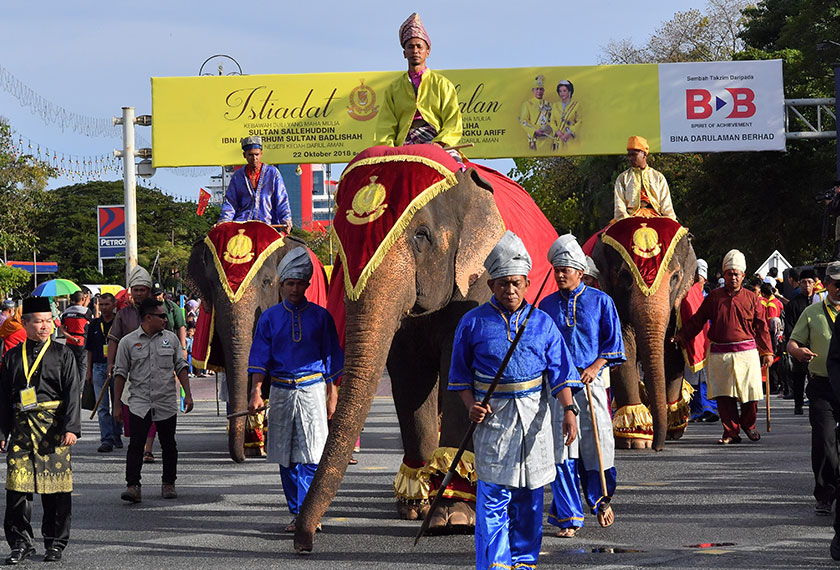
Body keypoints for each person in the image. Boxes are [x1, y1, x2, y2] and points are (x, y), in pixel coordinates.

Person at [448, 231, 581, 570]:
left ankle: (523, 561)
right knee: (493, 494)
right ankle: (495, 564)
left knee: (530, 495)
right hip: (493, 419)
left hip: (534, 416)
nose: (510, 290)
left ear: (526, 283)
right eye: (503, 284)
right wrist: (470, 405)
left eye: (517, 283)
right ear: (492, 285)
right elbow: (460, 375)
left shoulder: (542, 323)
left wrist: (568, 410)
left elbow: (560, 372)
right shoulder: (472, 322)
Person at [247, 247, 343, 532]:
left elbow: (332, 357)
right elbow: (259, 358)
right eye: (290, 283)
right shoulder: (269, 318)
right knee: (285, 456)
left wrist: (332, 394)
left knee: (313, 455)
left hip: (312, 388)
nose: (295, 288)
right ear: (281, 284)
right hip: (280, 390)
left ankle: (308, 512)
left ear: (308, 285)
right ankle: (296, 511)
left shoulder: (322, 317)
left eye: (300, 283)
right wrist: (255, 392)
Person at [540, 234, 625, 538]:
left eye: (565, 269)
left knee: (597, 444)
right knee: (563, 450)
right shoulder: (546, 306)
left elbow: (614, 345)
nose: (560, 274)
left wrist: (594, 366)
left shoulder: (602, 302)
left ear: (580, 271)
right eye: (556, 269)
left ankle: (601, 500)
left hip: (592, 382)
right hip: (559, 385)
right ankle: (568, 517)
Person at [0, 296, 80, 564]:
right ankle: (20, 543)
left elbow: (72, 394)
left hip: (53, 430)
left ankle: (55, 543)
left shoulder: (63, 354)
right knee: (17, 491)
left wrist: (71, 428)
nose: (45, 327)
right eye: (38, 322)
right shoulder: (12, 356)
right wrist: (2, 433)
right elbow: (2, 397)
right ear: (25, 323)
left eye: (48, 321)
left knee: (55, 492)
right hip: (21, 430)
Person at [676, 250, 774, 444]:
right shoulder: (713, 297)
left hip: (747, 353)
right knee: (724, 395)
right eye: (729, 273)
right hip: (720, 353)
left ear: (743, 276)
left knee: (751, 395)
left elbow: (762, 326)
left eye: (737, 273)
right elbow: (698, 320)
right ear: (724, 275)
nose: (733, 277)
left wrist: (768, 351)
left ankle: (749, 425)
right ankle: (731, 432)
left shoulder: (752, 298)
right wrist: (681, 336)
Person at [113, 298, 193, 503]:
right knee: (136, 445)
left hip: (165, 401)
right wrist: (116, 405)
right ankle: (133, 486)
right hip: (139, 402)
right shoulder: (128, 342)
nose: (166, 320)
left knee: (169, 445)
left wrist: (188, 394)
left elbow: (181, 366)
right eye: (162, 316)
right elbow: (120, 374)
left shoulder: (172, 339)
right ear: (148, 318)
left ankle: (168, 483)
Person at [789, 261, 840, 519]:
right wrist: (799, 352)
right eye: (836, 284)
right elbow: (792, 343)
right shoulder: (812, 312)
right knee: (824, 441)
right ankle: (825, 493)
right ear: (827, 284)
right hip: (822, 386)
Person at [374, 13, 462, 159]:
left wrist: (440, 142)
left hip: (436, 139)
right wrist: (388, 150)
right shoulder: (394, 88)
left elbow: (453, 120)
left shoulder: (442, 84)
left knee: (457, 167)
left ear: (427, 52)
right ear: (404, 53)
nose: (415, 51)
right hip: (405, 141)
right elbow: (386, 125)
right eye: (410, 47)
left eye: (419, 46)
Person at [217, 136, 293, 232]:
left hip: (268, 225)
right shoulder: (238, 176)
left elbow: (281, 199)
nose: (254, 158)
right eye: (250, 155)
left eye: (257, 154)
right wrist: (224, 221)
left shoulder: (273, 173)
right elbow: (231, 202)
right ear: (244, 155)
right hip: (243, 226)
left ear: (261, 154)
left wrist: (286, 219)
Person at [84, 292, 121, 453]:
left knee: (117, 403)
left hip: (117, 367)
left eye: (107, 304)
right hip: (99, 366)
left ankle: (116, 434)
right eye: (102, 305)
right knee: (102, 406)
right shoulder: (94, 324)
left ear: (114, 305)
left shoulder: (119, 322)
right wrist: (89, 371)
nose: (104, 308)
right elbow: (89, 349)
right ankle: (106, 439)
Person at [613, 136, 676, 221]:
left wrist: (671, 221)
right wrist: (626, 221)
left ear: (644, 154)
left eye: (634, 155)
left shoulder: (658, 177)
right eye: (629, 155)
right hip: (630, 218)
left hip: (657, 218)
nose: (630, 158)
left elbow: (666, 205)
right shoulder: (623, 178)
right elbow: (619, 207)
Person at [785, 268, 817, 414]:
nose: (806, 285)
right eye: (803, 282)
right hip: (799, 346)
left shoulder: (819, 302)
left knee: (816, 378)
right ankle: (798, 404)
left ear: (814, 283)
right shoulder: (793, 304)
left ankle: (815, 402)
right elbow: (789, 326)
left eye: (809, 282)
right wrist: (796, 346)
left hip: (816, 346)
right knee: (799, 377)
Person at [58, 290, 92, 383]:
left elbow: (61, 328)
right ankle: (80, 391)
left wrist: (70, 337)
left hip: (70, 341)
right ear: (82, 299)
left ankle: (71, 386)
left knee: (71, 365)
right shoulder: (86, 311)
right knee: (82, 366)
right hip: (81, 341)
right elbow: (93, 322)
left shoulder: (66, 311)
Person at [518, 75, 553, 151]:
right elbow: (524, 121)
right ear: (533, 91)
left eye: (541, 89)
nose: (539, 91)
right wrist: (534, 131)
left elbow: (553, 120)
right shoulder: (527, 104)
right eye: (537, 89)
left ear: (543, 91)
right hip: (535, 138)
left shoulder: (549, 104)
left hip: (548, 138)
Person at [550, 80, 580, 151]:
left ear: (569, 92)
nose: (562, 93)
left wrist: (569, 133)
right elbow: (551, 122)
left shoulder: (576, 105)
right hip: (558, 140)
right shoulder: (555, 105)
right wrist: (558, 132)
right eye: (560, 91)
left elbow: (580, 121)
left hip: (571, 141)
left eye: (564, 91)